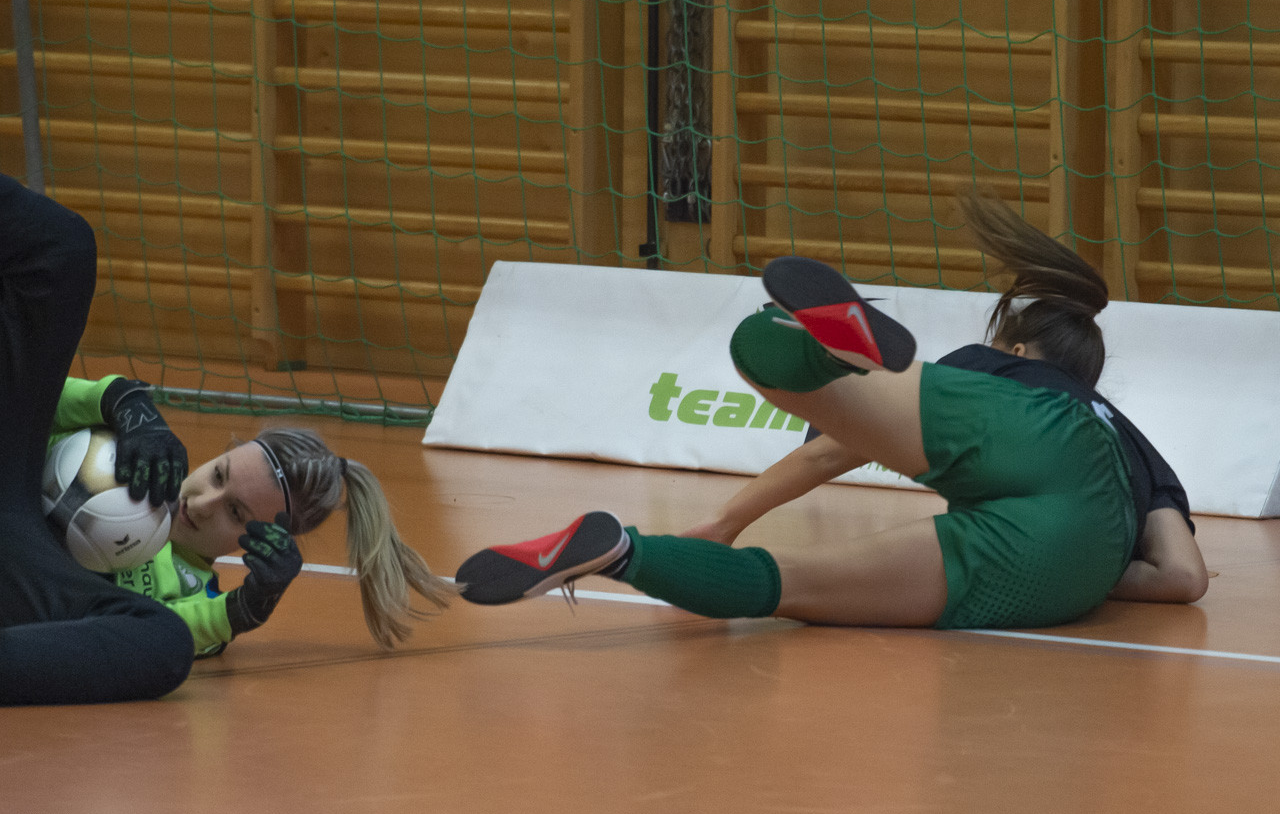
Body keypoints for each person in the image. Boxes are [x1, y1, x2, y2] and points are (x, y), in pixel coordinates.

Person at [0, 0, 453, 707]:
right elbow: (35, 403)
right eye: (216, 475)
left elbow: (191, 630)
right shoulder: (132, 453)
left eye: (237, 515)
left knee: (163, 646)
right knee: (63, 250)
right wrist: (128, 405)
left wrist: (246, 607)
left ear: (258, 543)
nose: (202, 501)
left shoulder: (191, 590)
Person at [456, 196, 1208, 631]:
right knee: (789, 587)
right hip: (1069, 562)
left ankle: (822, 353)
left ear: (1013, 347)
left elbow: (831, 449)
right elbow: (1184, 578)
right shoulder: (1129, 436)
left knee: (761, 350)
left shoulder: (1003, 373)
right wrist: (1099, 571)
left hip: (1025, 434)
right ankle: (622, 553)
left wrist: (726, 518)